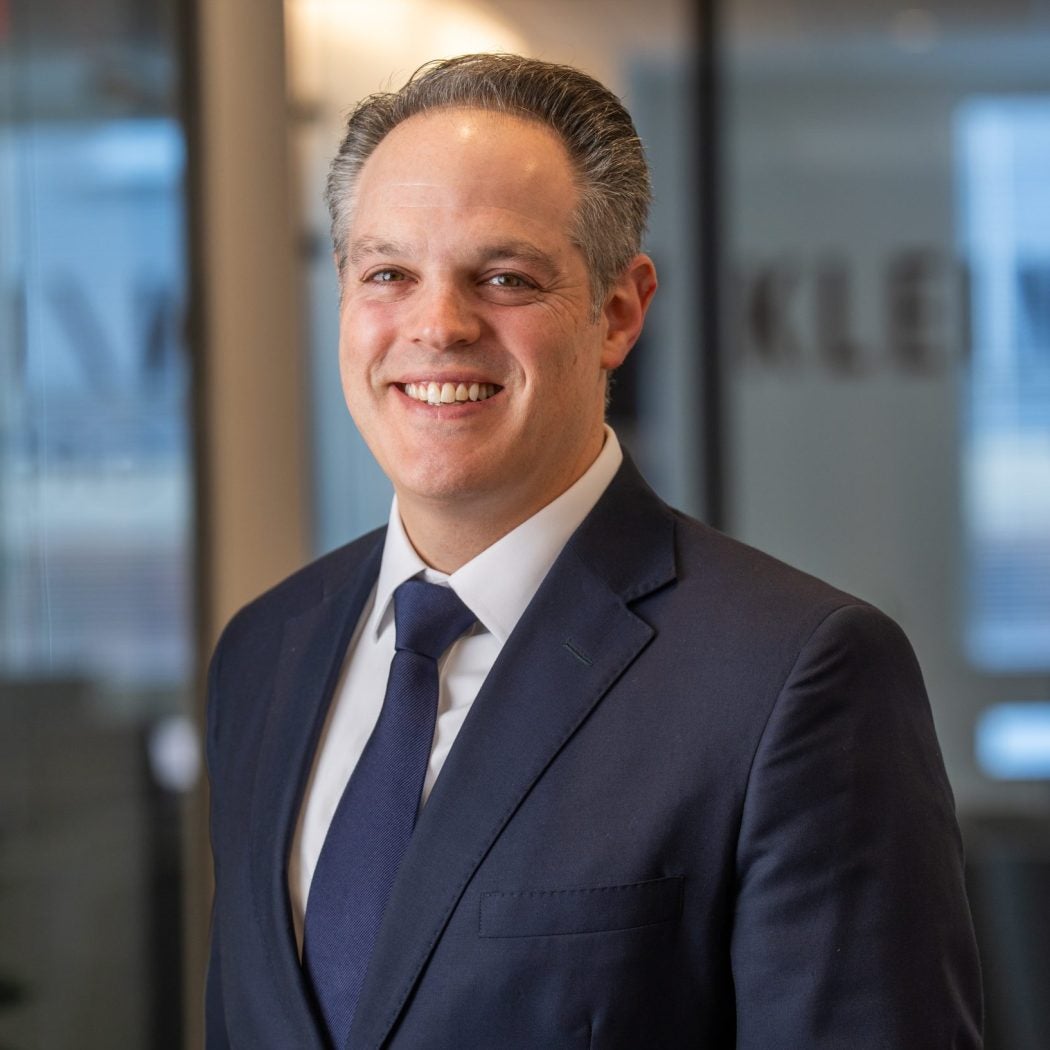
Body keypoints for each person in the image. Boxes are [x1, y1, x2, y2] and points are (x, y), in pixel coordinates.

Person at [205, 54, 982, 1049]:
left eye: (505, 277)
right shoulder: (265, 652)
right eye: (389, 273)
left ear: (618, 311)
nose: (437, 325)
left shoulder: (794, 676)